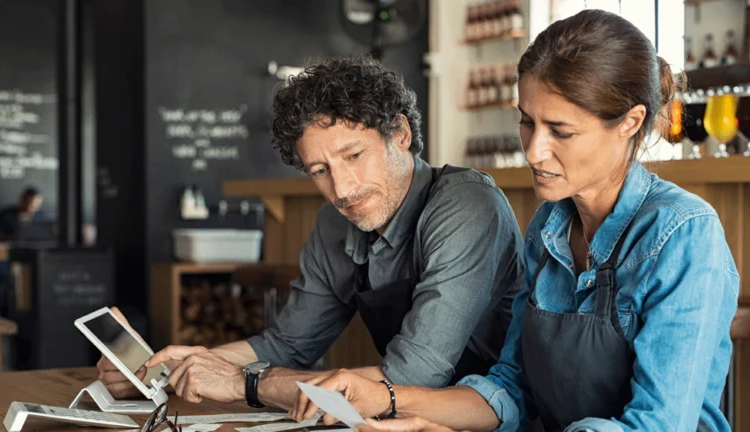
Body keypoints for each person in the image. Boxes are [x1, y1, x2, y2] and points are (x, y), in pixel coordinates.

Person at [291, 10, 739, 432]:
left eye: (560, 131)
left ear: (630, 122)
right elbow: (510, 387)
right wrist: (386, 398)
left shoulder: (683, 233)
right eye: (527, 122)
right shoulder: (549, 227)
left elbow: (658, 425)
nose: (534, 150)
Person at [98, 55, 525, 409]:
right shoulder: (334, 223)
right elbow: (287, 345)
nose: (342, 189)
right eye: (320, 171)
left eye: (354, 155)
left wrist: (244, 384)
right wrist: (167, 368)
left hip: (499, 417)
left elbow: (413, 376)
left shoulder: (466, 205)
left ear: (400, 134)